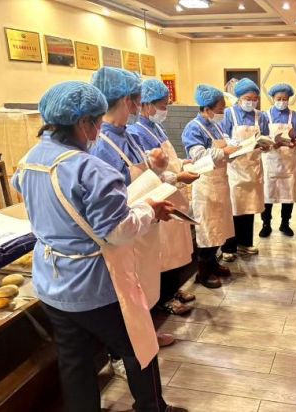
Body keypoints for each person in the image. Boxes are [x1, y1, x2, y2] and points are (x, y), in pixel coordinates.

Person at [12, 81, 183, 412]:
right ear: (83, 123)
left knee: (74, 359)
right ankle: (152, 408)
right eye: (97, 121)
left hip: (51, 282)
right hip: (96, 285)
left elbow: (30, 193)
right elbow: (117, 231)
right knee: (139, 348)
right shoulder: (90, 169)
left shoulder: (29, 160)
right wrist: (150, 210)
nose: (100, 128)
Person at [90, 67, 175, 377]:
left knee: (144, 288)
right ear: (126, 100)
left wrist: (158, 168)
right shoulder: (100, 144)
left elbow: (140, 175)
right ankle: (121, 356)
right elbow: (110, 198)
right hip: (124, 229)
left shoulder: (127, 134)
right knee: (126, 296)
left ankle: (147, 337)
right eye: (138, 99)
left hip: (144, 223)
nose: (141, 105)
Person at [127, 79, 198, 313]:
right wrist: (177, 177)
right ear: (145, 105)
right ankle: (165, 298)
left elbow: (167, 161)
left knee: (175, 251)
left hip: (172, 192)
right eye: (162, 105)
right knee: (164, 254)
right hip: (159, 196)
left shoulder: (156, 128)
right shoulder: (137, 132)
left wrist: (182, 163)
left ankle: (174, 289)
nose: (165, 110)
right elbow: (150, 174)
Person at [182, 84, 239, 288]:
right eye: (220, 109)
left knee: (219, 228)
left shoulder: (215, 125)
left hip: (221, 183)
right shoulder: (193, 128)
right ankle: (203, 272)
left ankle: (213, 264)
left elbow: (224, 148)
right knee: (208, 229)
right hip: (205, 185)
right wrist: (224, 152)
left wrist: (235, 151)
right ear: (207, 109)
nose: (223, 113)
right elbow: (198, 156)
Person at [220, 78, 270, 261]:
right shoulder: (228, 114)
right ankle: (228, 246)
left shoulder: (260, 116)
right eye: (248, 98)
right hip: (234, 168)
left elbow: (266, 137)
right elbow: (222, 138)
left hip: (253, 168)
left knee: (248, 207)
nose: (251, 102)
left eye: (255, 99)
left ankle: (245, 243)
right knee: (233, 208)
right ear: (239, 97)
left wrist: (266, 145)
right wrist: (233, 143)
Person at [259, 83, 296, 238]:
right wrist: (270, 143)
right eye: (278, 98)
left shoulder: (294, 115)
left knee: (288, 193)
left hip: (289, 161)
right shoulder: (265, 116)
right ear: (273, 98)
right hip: (270, 160)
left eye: (285, 99)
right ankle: (266, 224)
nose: (282, 101)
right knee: (267, 194)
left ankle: (285, 223)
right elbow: (261, 136)